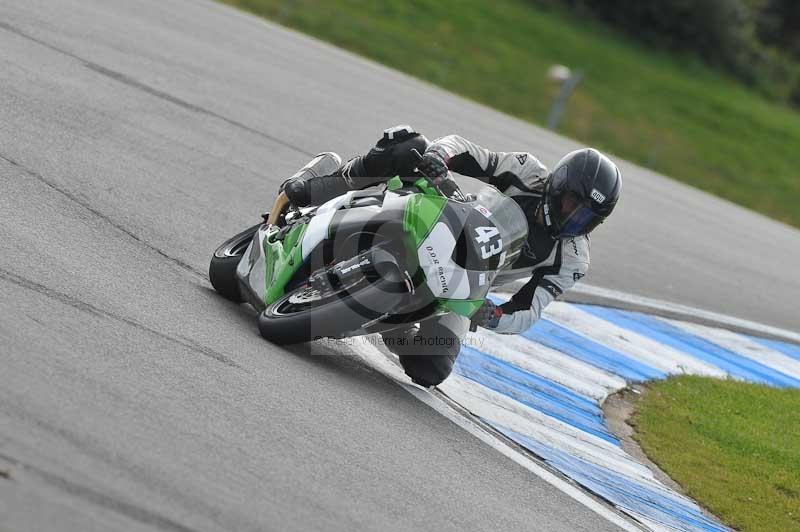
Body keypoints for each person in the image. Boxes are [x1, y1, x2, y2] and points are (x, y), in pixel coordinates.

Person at [283, 125, 621, 387]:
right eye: (572, 204)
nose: (573, 218)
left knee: (431, 367)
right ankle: (329, 183)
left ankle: (395, 327)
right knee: (409, 144)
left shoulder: (572, 259)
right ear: (557, 185)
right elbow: (466, 149)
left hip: (464, 284)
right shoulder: (526, 171)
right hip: (444, 218)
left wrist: (493, 315)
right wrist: (439, 156)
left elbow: (529, 309)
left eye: (587, 218)